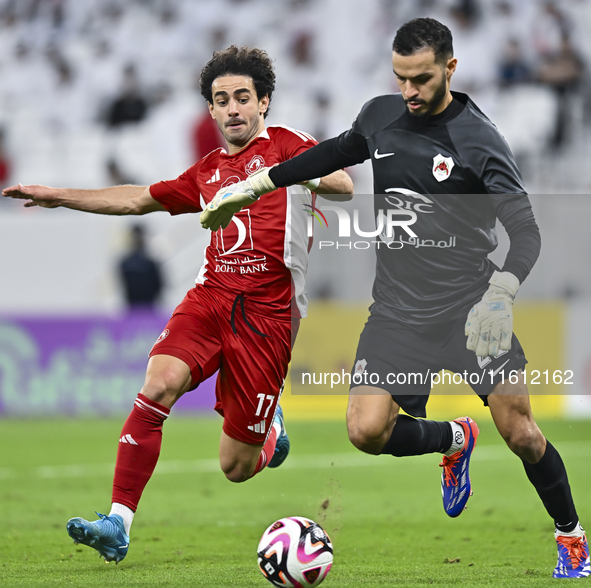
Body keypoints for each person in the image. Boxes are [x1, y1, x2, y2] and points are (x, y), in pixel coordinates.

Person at [200, 19, 589, 579]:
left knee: (523, 433)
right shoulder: (381, 114)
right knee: (365, 431)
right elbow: (333, 153)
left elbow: (525, 231)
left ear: (450, 69)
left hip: (472, 309)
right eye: (400, 78)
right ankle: (455, 438)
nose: (409, 91)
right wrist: (256, 185)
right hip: (397, 313)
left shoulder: (479, 141)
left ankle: (571, 536)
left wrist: (502, 293)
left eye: (422, 79)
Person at [2, 46, 353, 564]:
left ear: (264, 102)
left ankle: (269, 427)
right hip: (210, 298)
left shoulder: (288, 145)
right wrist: (61, 195)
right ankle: (118, 521)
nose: (232, 108)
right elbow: (136, 198)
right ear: (210, 111)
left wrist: (283, 178)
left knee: (235, 466)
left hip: (269, 319)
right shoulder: (207, 171)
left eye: (242, 98)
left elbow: (344, 183)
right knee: (159, 383)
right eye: (221, 100)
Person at [119, 224, 163, 311]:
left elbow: (159, 285)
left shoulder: (151, 263)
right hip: (133, 308)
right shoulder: (126, 263)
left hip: (149, 307)